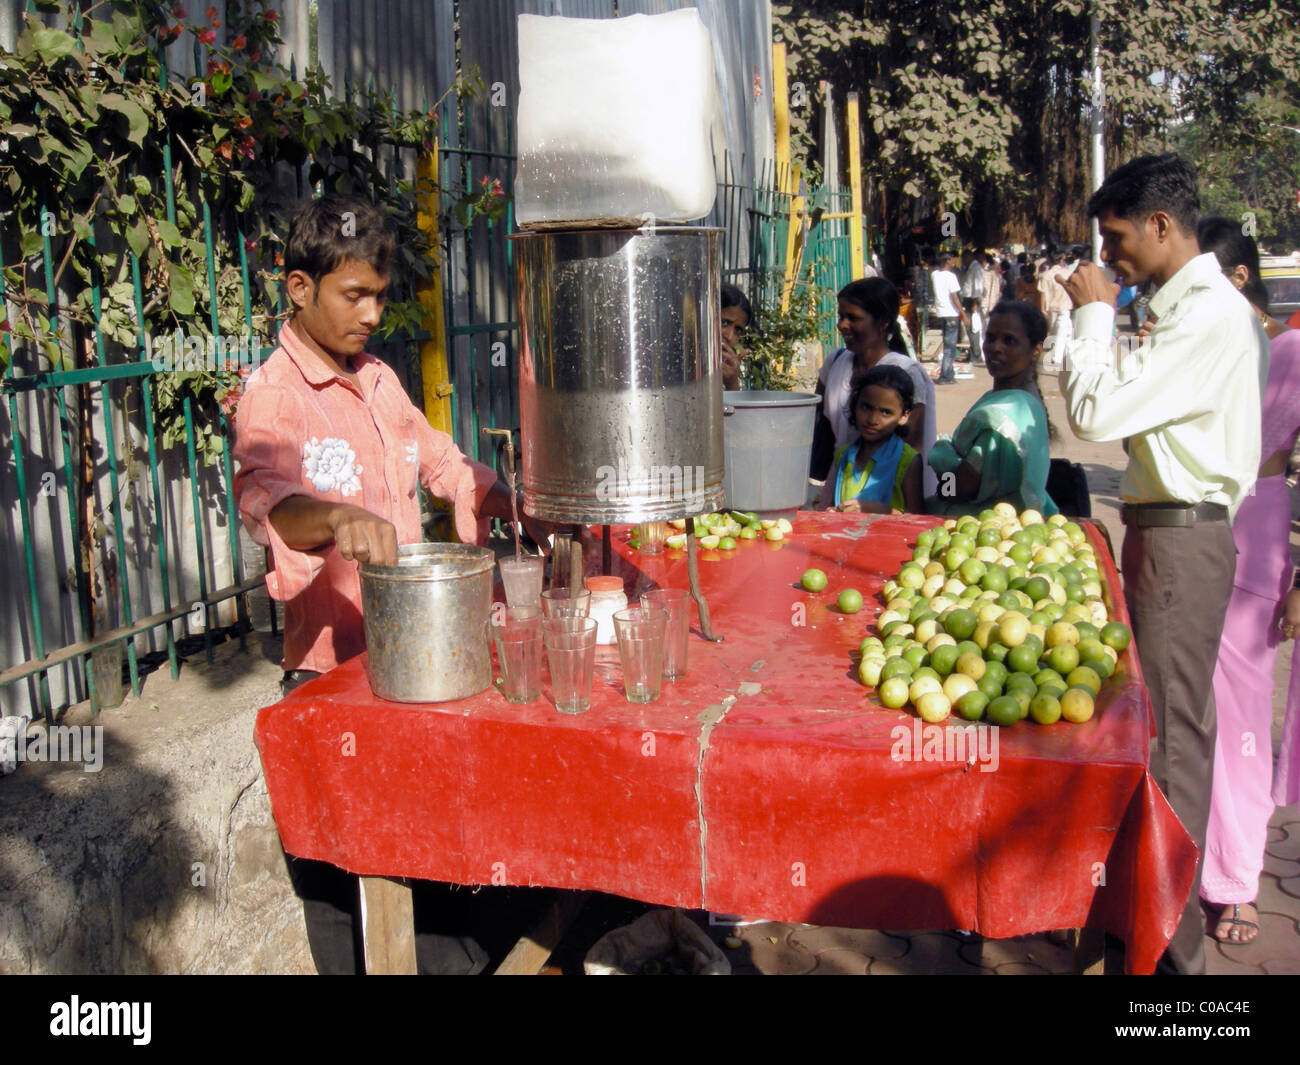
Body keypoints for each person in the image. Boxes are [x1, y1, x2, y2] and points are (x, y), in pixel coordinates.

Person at [233, 194, 551, 975]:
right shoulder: (274, 395)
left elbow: (443, 463)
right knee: (350, 894)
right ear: (300, 288)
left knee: (434, 875)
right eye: (354, 295)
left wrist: (515, 502)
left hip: (414, 671)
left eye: (380, 295)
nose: (372, 313)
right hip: (333, 681)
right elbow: (266, 501)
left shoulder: (379, 381)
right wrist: (335, 517)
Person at [1059, 154, 1268, 976]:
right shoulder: (1191, 310)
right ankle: (1139, 934)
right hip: (1165, 534)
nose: (1110, 259)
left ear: (1161, 225)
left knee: (1174, 744)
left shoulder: (1210, 316)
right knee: (1157, 735)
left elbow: (1093, 412)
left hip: (1182, 542)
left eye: (1116, 240)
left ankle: (1167, 967)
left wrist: (1092, 317)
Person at [1195, 216, 1300, 945]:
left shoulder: (1288, 350)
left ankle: (1236, 880)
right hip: (1184, 529)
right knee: (1188, 706)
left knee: (1237, 716)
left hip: (1252, 531)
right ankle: (1194, 858)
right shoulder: (1206, 346)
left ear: (1236, 280)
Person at [926, 300, 1058, 516]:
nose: (996, 348)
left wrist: (942, 458)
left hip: (984, 528)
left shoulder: (1005, 415)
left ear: (1036, 350)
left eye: (1009, 341)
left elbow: (957, 489)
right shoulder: (1017, 401)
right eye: (991, 338)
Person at [810, 277, 937, 496]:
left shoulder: (908, 374)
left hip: (888, 493)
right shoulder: (835, 363)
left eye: (853, 318)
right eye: (841, 316)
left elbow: (909, 451)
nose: (842, 325)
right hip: (842, 483)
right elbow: (815, 421)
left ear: (882, 322)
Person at [818, 364, 923, 513]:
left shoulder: (908, 461)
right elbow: (833, 503)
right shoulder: (844, 455)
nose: (873, 419)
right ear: (855, 405)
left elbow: (918, 520)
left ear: (904, 416)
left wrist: (882, 511)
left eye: (886, 412)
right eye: (866, 407)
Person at [929, 253, 964, 383]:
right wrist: (963, 314)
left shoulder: (934, 275)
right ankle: (944, 376)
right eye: (953, 259)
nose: (955, 261)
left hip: (941, 313)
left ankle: (949, 374)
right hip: (951, 313)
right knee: (950, 347)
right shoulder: (951, 276)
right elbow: (954, 297)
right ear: (948, 261)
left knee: (947, 344)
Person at [720, 282, 752, 390]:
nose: (729, 337)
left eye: (737, 330)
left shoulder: (726, 368)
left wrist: (731, 383)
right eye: (724, 323)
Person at [959, 246, 986, 364]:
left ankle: (976, 355)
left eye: (964, 258)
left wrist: (975, 304)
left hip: (972, 301)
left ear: (968, 257)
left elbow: (978, 287)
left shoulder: (976, 268)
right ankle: (972, 353)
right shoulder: (969, 267)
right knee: (968, 329)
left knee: (973, 328)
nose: (963, 261)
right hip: (967, 299)